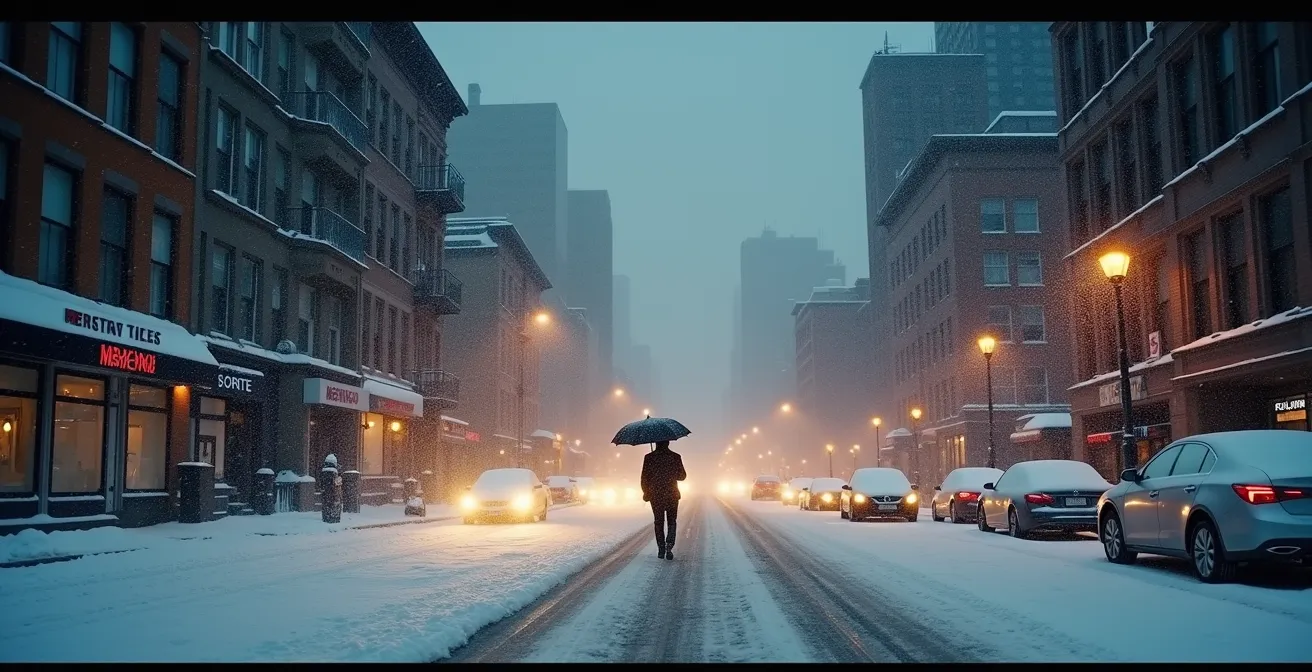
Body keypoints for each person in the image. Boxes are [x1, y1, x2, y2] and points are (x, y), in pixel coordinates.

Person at [640, 440, 687, 559]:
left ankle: (661, 548)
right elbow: (682, 476)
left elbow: (644, 478)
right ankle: (669, 545)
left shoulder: (649, 458)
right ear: (668, 443)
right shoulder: (675, 457)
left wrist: (646, 492)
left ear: (655, 443)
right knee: (672, 521)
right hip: (672, 494)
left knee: (658, 522)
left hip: (656, 495)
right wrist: (671, 472)